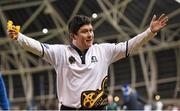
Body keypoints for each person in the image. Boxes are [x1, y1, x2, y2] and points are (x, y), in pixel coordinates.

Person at [7, 14, 168, 110]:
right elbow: (36, 46)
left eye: (91, 30)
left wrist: (149, 32)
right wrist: (19, 37)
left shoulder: (104, 51)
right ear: (73, 36)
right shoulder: (60, 53)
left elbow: (129, 45)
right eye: (84, 31)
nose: (90, 34)